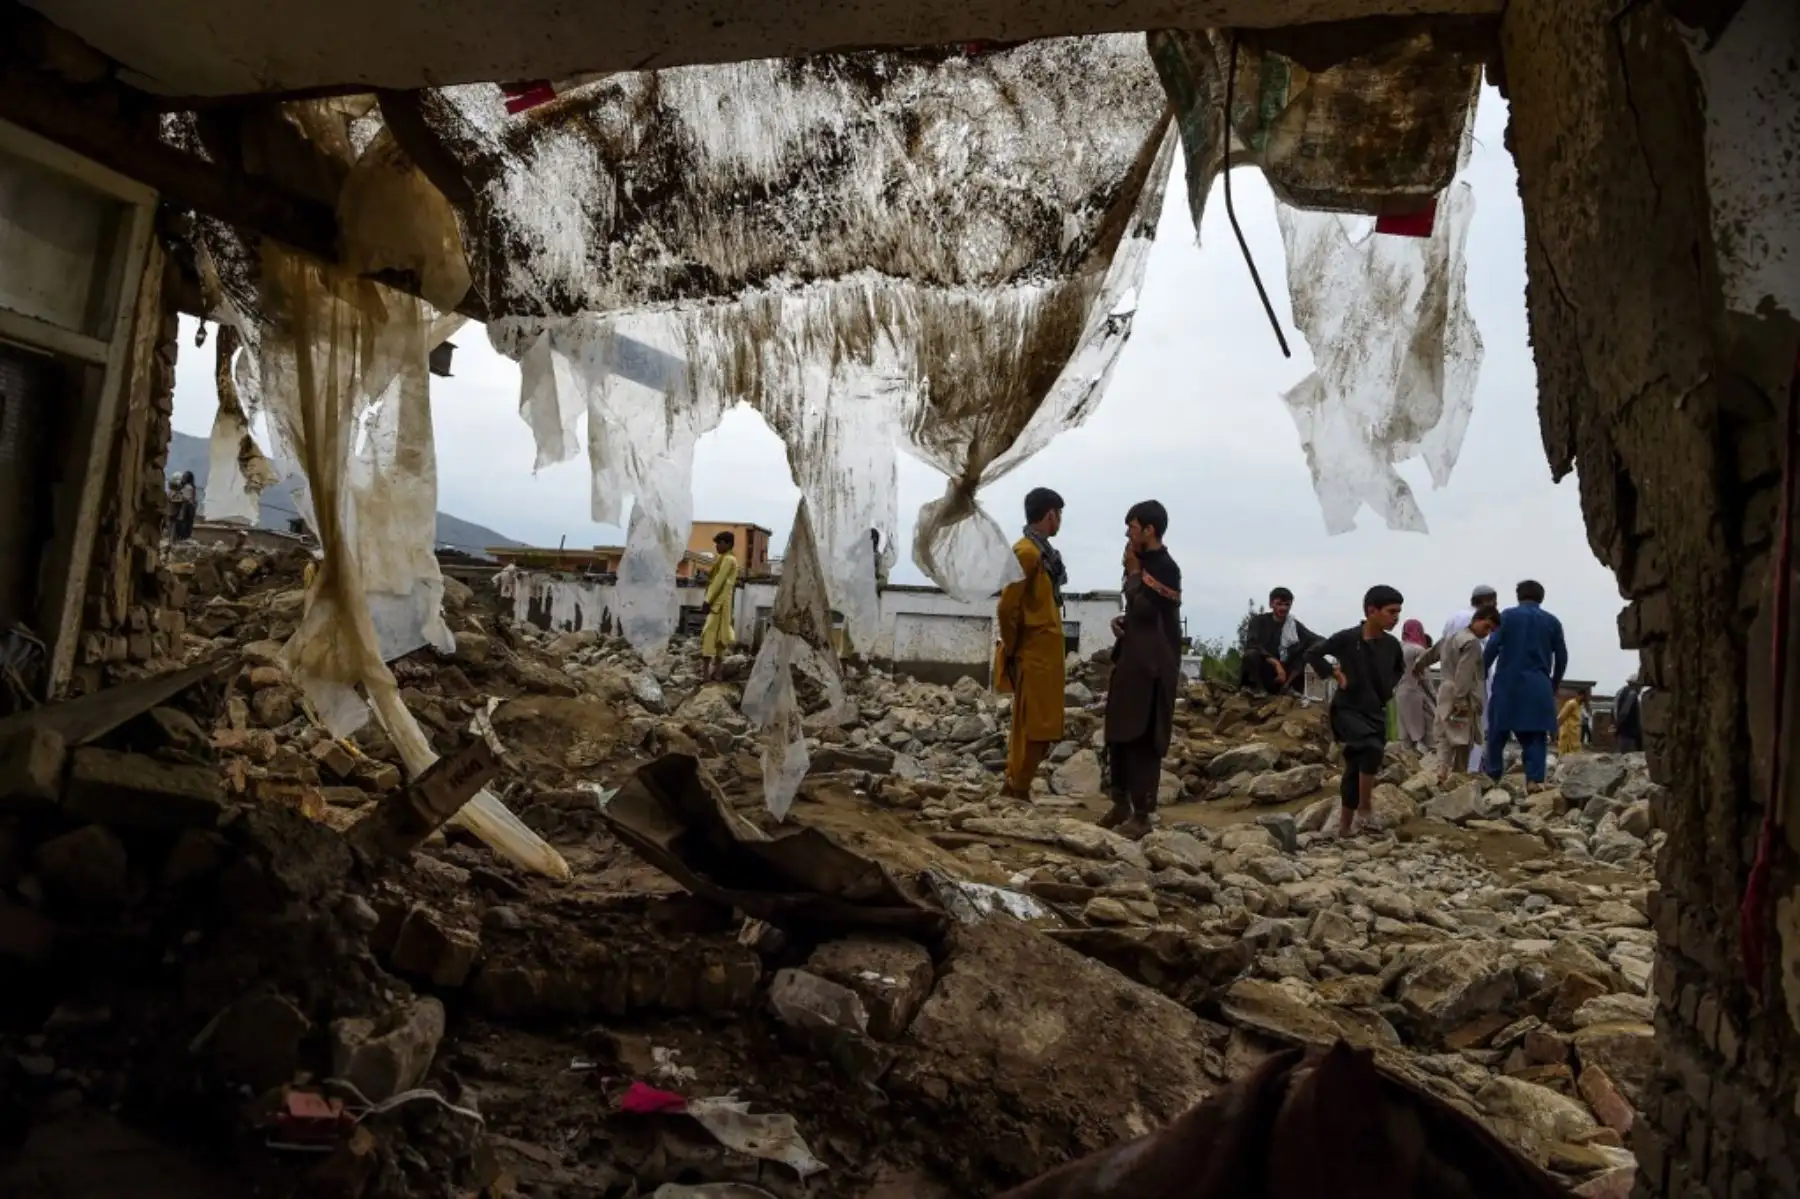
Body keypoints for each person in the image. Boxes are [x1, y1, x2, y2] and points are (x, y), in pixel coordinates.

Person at [1099, 500, 1182, 838]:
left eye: (1132, 528)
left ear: (1149, 530)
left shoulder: (1166, 567)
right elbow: (1139, 612)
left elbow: (1150, 611)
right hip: (1131, 662)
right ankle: (1119, 802)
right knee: (1118, 731)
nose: (1128, 534)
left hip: (1153, 669)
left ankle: (1142, 813)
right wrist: (1125, 621)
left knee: (1143, 738)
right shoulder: (1142, 564)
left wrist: (1134, 574)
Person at [1309, 586, 1406, 838]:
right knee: (1371, 748)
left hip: (1374, 710)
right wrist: (1333, 674)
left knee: (1355, 765)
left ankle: (1343, 828)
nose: (1395, 617)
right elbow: (1313, 653)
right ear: (1371, 611)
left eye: (1398, 612)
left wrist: (1387, 689)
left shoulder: (1392, 645)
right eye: (1391, 612)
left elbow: (1399, 669)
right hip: (1346, 709)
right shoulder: (1347, 638)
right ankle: (1365, 809)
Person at [996, 487, 1068, 799]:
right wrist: (1013, 649)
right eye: (1059, 515)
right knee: (1034, 725)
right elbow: (1007, 607)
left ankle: (1017, 784)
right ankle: (1017, 786)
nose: (1060, 521)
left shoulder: (1042, 554)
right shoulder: (1026, 553)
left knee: (1040, 724)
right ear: (1051, 514)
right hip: (1032, 654)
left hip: (1045, 655)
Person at [1483, 579, 1570, 789]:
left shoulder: (1507, 617)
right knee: (1535, 736)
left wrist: (1482, 673)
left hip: (1507, 683)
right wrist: (1553, 684)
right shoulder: (1552, 622)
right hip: (1538, 685)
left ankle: (1491, 778)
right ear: (1542, 597)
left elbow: (1492, 647)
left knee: (1497, 732)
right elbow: (1562, 657)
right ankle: (1534, 780)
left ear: (1518, 596)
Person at [1415, 604, 1499, 783]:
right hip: (1462, 695)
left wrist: (1418, 667)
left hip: (1445, 692)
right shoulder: (1473, 643)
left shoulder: (1451, 638)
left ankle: (1442, 771)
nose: (1487, 633)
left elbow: (1430, 655)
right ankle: (1458, 778)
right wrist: (1460, 699)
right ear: (1476, 620)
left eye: (1490, 630)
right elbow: (1465, 672)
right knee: (1463, 739)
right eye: (1486, 627)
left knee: (1445, 734)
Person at [1441, 584, 1498, 771]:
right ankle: (1468, 773)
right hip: (1472, 683)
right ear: (1487, 600)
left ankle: (1445, 772)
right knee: (1474, 729)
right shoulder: (1478, 621)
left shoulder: (1453, 618)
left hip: (1450, 679)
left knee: (1451, 728)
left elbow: (1444, 647)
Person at [1238, 587, 1322, 696]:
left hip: (1285, 676)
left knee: (1307, 652)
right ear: (1271, 604)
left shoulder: (1293, 626)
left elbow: (1317, 640)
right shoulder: (1258, 621)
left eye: (1287, 605)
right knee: (1251, 654)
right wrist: (1276, 664)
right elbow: (1252, 643)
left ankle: (1289, 689)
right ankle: (1254, 689)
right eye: (1279, 604)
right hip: (1264, 671)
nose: (1283, 608)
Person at [698, 531, 739, 682]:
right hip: (723, 604)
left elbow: (719, 581)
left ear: (727, 544)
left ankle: (708, 674)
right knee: (720, 636)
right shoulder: (724, 559)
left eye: (719, 543)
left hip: (719, 604)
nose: (717, 546)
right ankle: (717, 673)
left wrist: (707, 600)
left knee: (710, 634)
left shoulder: (728, 560)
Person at [1395, 619, 1435, 753]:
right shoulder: (1418, 650)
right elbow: (1425, 678)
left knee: (1406, 734)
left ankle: (1407, 766)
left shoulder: (1399, 648)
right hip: (1416, 694)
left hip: (1400, 693)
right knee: (1430, 731)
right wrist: (1435, 697)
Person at [1614, 674, 1644, 752]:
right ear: (1635, 685)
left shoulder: (1621, 692)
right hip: (1628, 734)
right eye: (1640, 686)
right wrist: (1619, 727)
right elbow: (1624, 712)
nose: (1641, 689)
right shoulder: (1631, 694)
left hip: (1624, 734)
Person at [169, 471, 198, 541]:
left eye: (184, 477)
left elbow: (183, 498)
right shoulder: (190, 488)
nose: (182, 479)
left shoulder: (188, 487)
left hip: (184, 514)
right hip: (186, 515)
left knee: (180, 531)